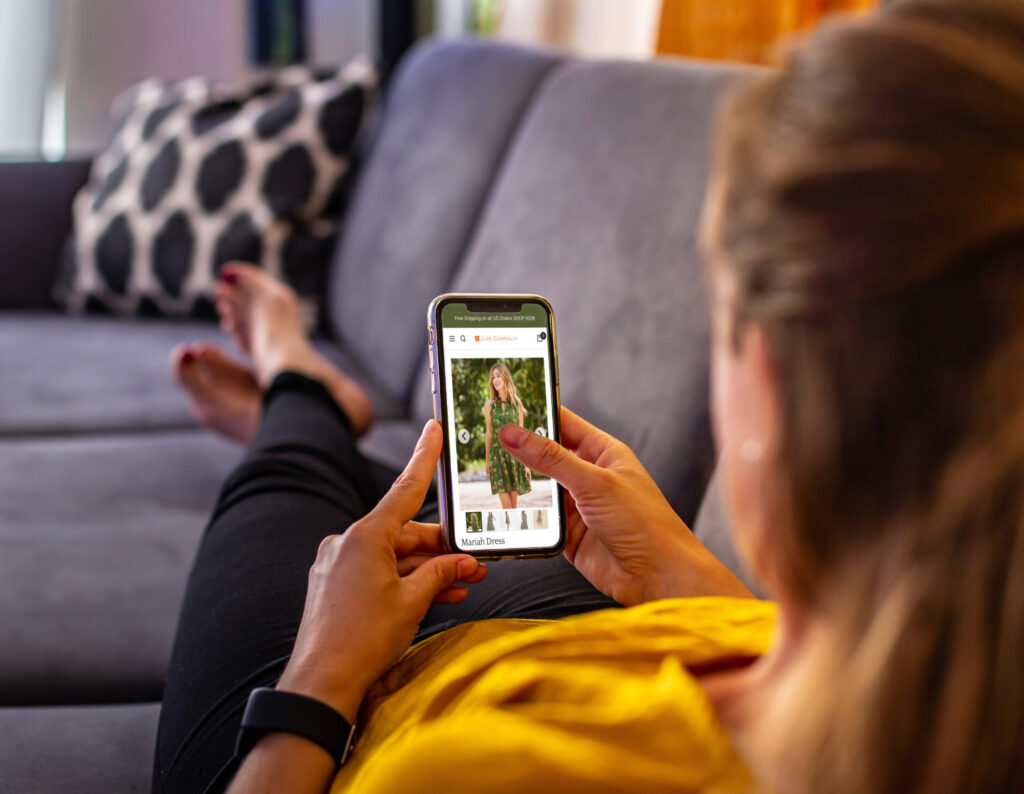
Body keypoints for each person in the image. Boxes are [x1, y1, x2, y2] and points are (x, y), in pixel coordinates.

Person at [153, 1, 1024, 792]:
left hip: (361, 723)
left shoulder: (480, 774)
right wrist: (683, 575)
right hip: (605, 632)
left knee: (288, 492)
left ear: (765, 381)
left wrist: (316, 681)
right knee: (388, 500)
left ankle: (298, 383)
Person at [483, 362, 532, 508]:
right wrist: (487, 462)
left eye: (498, 376)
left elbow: (521, 437)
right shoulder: (489, 405)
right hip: (497, 458)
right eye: (493, 377)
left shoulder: (517, 405)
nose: (495, 380)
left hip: (514, 459)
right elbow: (489, 433)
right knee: (507, 507)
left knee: (514, 509)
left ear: (505, 378)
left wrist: (526, 464)